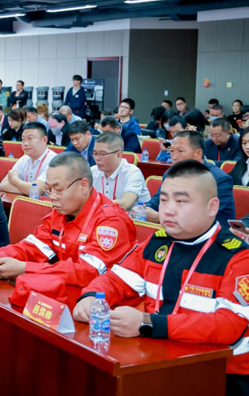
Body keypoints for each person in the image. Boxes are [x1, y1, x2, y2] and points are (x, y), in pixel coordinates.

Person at [72, 160, 249, 396]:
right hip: (161, 359)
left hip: (223, 373)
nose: (168, 210)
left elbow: (229, 325)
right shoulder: (157, 243)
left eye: (181, 201)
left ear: (212, 207)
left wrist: (147, 323)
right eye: (164, 200)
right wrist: (90, 297)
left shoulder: (236, 256)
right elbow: (115, 280)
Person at [0, 152, 137, 297]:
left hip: (103, 303)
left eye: (58, 190)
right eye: (49, 190)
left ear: (83, 185)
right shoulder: (60, 212)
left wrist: (25, 268)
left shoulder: (111, 221)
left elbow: (87, 272)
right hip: (66, 294)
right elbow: (34, 246)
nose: (52, 197)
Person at [145, 130, 235, 227]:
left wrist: (161, 218)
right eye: (171, 151)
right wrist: (143, 210)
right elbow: (155, 202)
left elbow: (204, 218)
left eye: (180, 151)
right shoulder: (170, 173)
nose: (174, 157)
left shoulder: (219, 179)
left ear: (198, 154)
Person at [91, 132, 150, 211]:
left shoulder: (132, 172)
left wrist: (95, 204)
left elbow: (125, 204)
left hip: (130, 218)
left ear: (118, 155)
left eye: (103, 154)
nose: (97, 158)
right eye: (95, 153)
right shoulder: (92, 171)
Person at [0, 122, 54, 195]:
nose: (25, 143)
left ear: (44, 140)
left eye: (30, 139)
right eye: (23, 139)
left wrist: (14, 180)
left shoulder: (54, 161)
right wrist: (28, 190)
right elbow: (3, 184)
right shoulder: (24, 159)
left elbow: (37, 190)